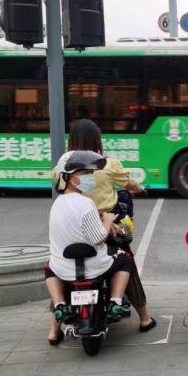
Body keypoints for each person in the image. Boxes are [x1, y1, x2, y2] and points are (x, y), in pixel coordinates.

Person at [53, 118, 155, 335]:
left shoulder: (63, 162)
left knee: (63, 267)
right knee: (127, 262)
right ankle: (144, 318)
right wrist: (140, 189)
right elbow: (130, 185)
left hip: (71, 227)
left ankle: (53, 330)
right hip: (106, 223)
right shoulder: (106, 163)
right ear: (97, 139)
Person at [45, 150, 134, 345]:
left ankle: (60, 304)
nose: (90, 177)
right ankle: (115, 302)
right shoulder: (86, 203)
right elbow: (99, 239)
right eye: (85, 174)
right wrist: (108, 221)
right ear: (72, 179)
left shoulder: (57, 204)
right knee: (124, 260)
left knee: (48, 266)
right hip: (95, 266)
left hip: (63, 269)